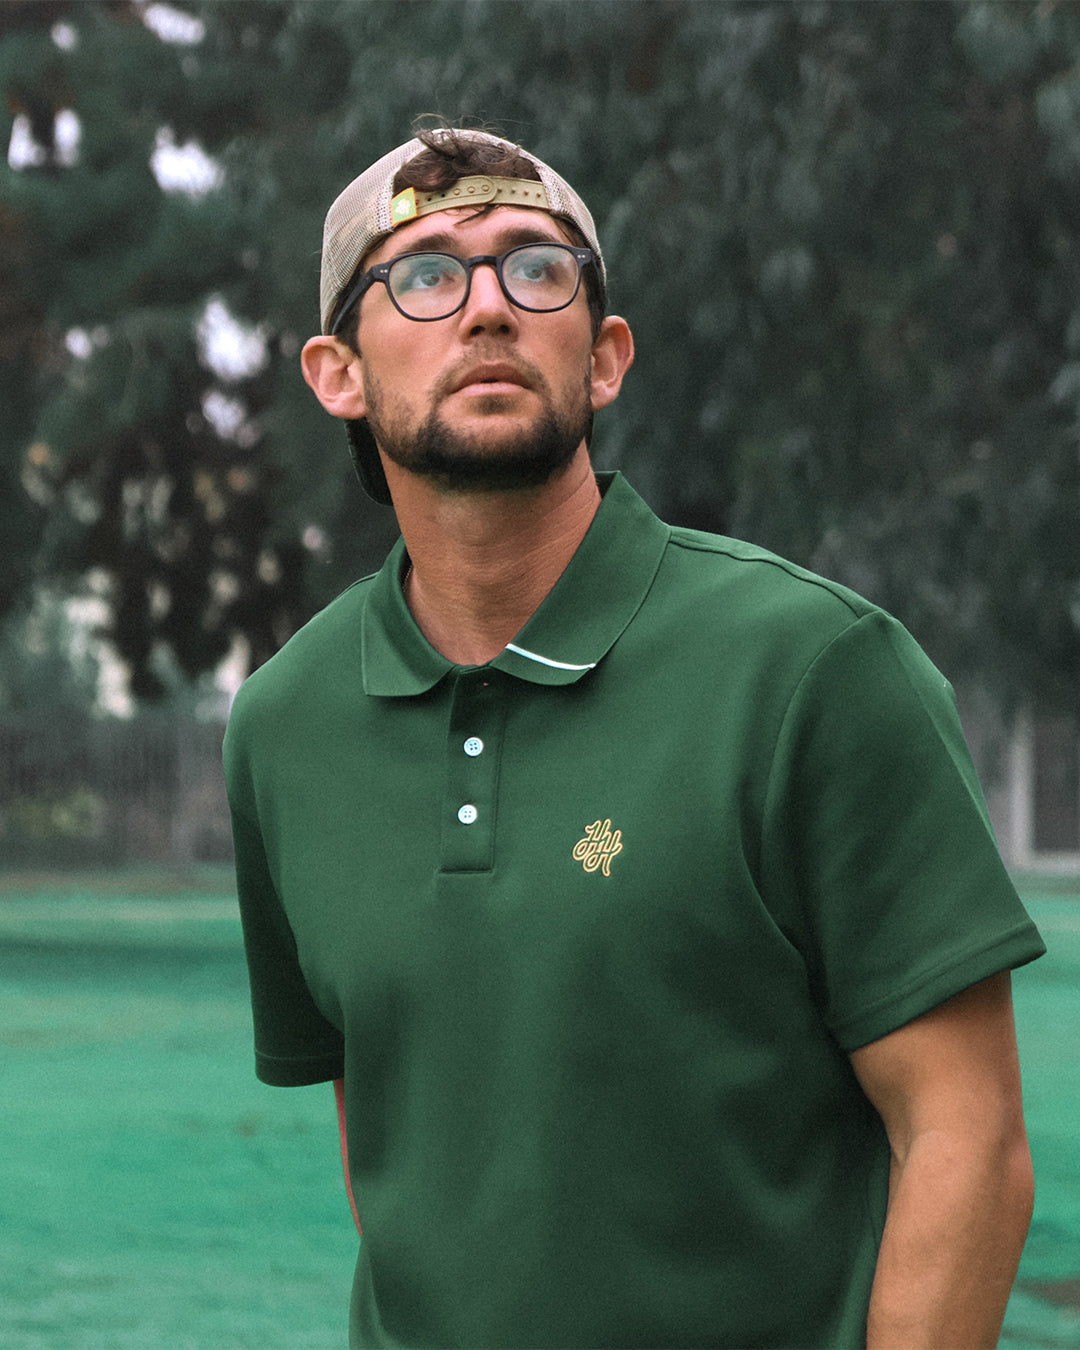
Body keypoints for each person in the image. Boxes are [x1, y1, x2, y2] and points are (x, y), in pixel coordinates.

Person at [223, 125, 1046, 1350]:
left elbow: (966, 1139)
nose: (488, 308)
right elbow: (393, 1144)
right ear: (338, 372)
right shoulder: (284, 728)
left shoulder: (814, 667)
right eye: (427, 274)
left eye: (537, 268)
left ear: (605, 358)